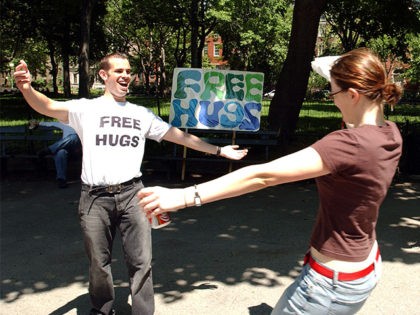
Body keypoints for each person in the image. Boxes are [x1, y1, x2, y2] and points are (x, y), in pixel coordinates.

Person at [138, 48, 403, 315]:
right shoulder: (389, 134)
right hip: (364, 264)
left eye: (333, 93)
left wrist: (183, 197)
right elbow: (338, 88)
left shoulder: (347, 144)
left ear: (353, 95)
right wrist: (336, 76)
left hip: (330, 284)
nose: (333, 100)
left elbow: (262, 176)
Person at [13, 52, 248, 315]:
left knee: (141, 261)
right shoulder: (85, 109)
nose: (125, 76)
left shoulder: (141, 114)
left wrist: (218, 150)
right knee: (98, 263)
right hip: (94, 198)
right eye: (118, 71)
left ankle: (143, 312)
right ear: (104, 75)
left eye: (128, 71)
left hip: (133, 194)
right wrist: (26, 88)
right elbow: (46, 106)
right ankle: (102, 309)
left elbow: (178, 136)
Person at [30, 120, 82, 188]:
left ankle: (48, 150)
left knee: (74, 137)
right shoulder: (66, 123)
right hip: (65, 148)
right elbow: (51, 123)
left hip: (77, 150)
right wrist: (38, 123)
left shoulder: (82, 123)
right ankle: (61, 179)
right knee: (61, 153)